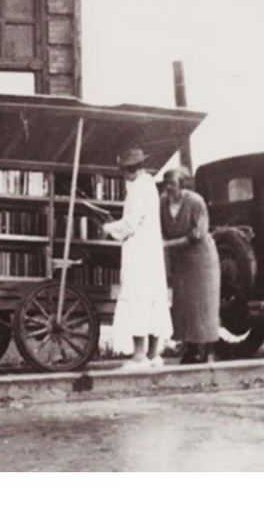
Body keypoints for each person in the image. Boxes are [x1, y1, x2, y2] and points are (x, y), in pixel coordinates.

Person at [102, 147, 171, 369]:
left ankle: (139, 356)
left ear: (128, 170)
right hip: (151, 253)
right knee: (153, 300)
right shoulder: (150, 185)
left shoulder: (137, 189)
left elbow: (130, 224)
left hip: (140, 253)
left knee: (137, 299)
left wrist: (108, 227)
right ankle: (153, 354)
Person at [160, 167, 221, 363]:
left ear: (183, 185)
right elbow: (160, 227)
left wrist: (166, 244)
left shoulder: (195, 202)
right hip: (181, 261)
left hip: (201, 259)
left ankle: (209, 350)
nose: (169, 188)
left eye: (173, 184)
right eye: (166, 184)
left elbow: (197, 234)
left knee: (203, 305)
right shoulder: (162, 203)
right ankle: (190, 349)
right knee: (183, 304)